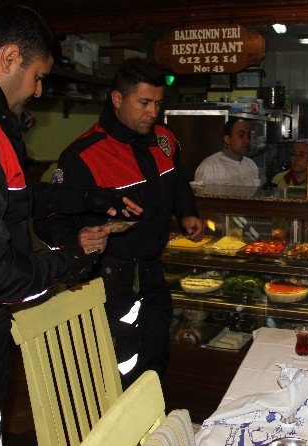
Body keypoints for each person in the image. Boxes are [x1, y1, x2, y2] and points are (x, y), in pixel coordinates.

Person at [0, 5, 141, 445]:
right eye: (38, 75)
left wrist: (92, 197)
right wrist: (67, 264)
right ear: (10, 57)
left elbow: (14, 197)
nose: (38, 91)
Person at [33, 57, 203, 388]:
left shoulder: (163, 139)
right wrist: (78, 236)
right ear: (117, 99)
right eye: (144, 103)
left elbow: (179, 183)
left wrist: (187, 212)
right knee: (118, 368)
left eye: (157, 103)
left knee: (155, 358)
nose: (153, 112)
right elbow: (46, 221)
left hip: (153, 271)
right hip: (110, 280)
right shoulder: (83, 156)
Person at [193, 117, 261, 186]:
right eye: (241, 135)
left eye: (249, 136)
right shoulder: (209, 166)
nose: (247, 140)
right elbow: (199, 195)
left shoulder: (251, 165)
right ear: (227, 139)